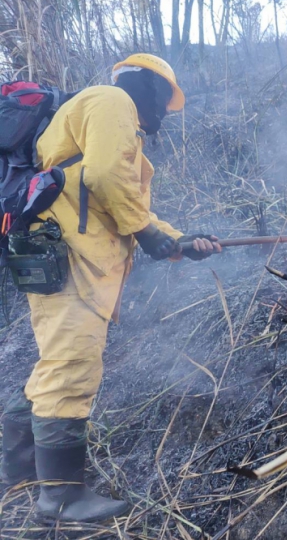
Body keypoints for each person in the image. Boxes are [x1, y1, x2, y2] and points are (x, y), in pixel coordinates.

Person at [0, 54, 222, 523]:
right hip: (70, 257)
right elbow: (103, 180)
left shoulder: (119, 130)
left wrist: (179, 242)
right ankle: (61, 500)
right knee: (70, 366)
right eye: (164, 98)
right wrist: (148, 233)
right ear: (147, 87)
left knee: (57, 362)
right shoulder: (112, 100)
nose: (164, 111)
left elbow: (123, 199)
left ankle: (21, 468)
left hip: (75, 258)